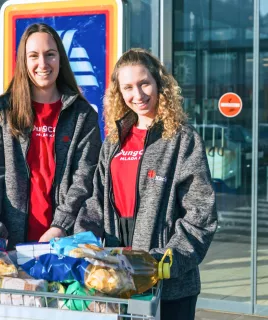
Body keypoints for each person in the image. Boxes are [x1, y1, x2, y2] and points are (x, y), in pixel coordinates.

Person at [75, 48, 217, 320]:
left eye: (144, 84)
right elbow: (96, 202)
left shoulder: (182, 140)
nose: (137, 95)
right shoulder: (114, 142)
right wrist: (84, 239)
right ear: (118, 92)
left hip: (169, 285)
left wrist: (163, 263)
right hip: (117, 278)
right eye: (128, 87)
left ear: (159, 84)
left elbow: (201, 214)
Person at [0, 23, 101, 249]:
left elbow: (85, 178)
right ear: (23, 61)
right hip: (5, 242)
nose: (43, 64)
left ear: (60, 58)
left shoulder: (82, 115)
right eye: (33, 56)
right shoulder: (0, 111)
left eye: (50, 55)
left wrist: (60, 225)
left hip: (63, 242)